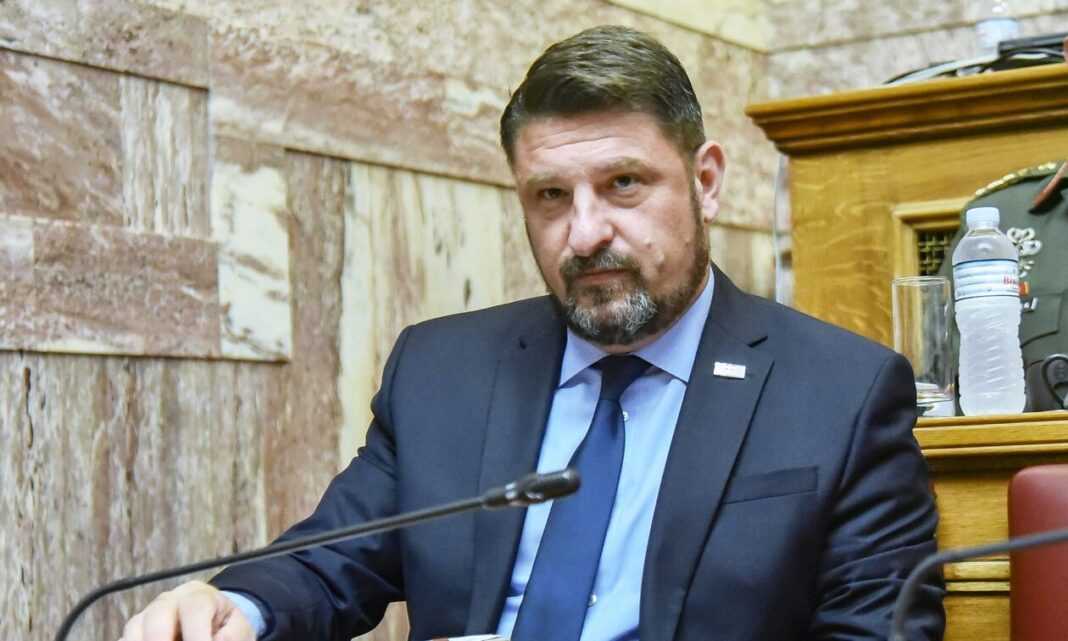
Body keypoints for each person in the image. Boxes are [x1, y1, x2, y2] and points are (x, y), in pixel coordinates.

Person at [120, 25, 944, 641]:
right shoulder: (442, 369)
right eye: (551, 196)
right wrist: (234, 606)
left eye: (624, 184)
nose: (585, 234)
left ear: (706, 181)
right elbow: (332, 558)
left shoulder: (840, 391)